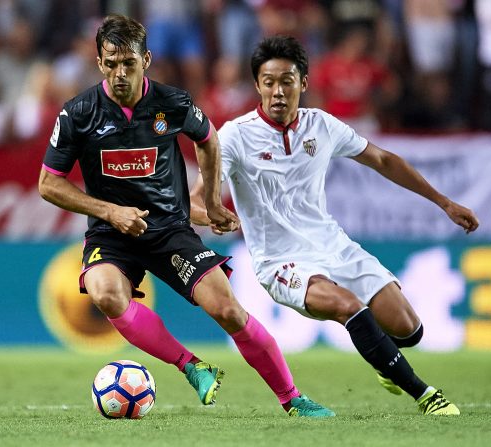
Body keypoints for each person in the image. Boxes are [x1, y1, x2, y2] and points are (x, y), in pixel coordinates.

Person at [38, 14, 334, 418]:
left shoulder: (172, 103)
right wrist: (111, 212)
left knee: (227, 310)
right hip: (112, 233)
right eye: (111, 63)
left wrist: (211, 203)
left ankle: (293, 398)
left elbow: (209, 140)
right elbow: (48, 183)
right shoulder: (78, 114)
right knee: (105, 292)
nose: (120, 73)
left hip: (169, 229)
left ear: (147, 59)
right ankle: (191, 366)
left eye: (129, 63)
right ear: (99, 63)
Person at [190, 35, 480, 415]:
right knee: (348, 306)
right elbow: (195, 200)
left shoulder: (321, 125)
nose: (278, 91)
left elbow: (382, 159)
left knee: (410, 329)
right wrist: (212, 214)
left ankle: (385, 362)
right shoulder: (235, 135)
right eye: (269, 82)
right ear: (258, 85)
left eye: (287, 81)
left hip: (333, 246)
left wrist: (443, 202)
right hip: (280, 261)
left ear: (304, 84)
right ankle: (426, 396)